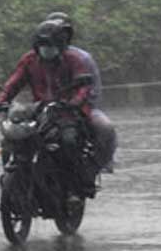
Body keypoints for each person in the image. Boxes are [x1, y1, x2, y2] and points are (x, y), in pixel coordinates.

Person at [0, 19, 95, 202]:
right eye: (43, 46)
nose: (47, 49)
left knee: (69, 141)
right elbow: (14, 82)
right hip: (40, 110)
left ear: (61, 45)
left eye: (51, 45)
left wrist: (75, 102)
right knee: (10, 141)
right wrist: (2, 100)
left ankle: (73, 188)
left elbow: (83, 86)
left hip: (66, 112)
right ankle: (17, 184)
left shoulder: (73, 60)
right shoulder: (29, 60)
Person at [46, 11, 117, 176]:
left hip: (78, 108)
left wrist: (79, 105)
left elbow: (93, 90)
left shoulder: (83, 58)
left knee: (106, 128)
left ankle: (96, 166)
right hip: (46, 108)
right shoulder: (36, 57)